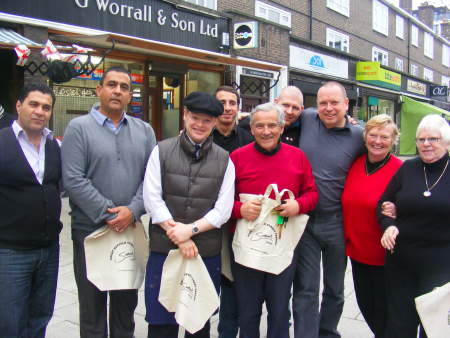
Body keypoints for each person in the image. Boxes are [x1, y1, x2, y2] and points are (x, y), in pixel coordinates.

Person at [61, 66, 156, 338]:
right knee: (92, 309)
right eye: (112, 84)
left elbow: (151, 180)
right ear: (99, 90)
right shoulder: (78, 128)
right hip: (90, 230)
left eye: (124, 87)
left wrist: (133, 210)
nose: (117, 90)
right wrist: (109, 213)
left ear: (129, 96)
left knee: (125, 308)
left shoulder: (144, 131)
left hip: (130, 231)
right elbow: (73, 179)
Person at [143, 91, 235, 338]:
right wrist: (180, 236)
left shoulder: (225, 160)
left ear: (215, 122)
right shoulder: (160, 151)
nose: (200, 125)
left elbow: (222, 210)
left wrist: (190, 230)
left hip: (204, 252)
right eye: (195, 117)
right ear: (184, 116)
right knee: (161, 321)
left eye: (207, 120)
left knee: (198, 322)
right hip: (165, 249)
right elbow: (152, 199)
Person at [230, 102, 318, 338]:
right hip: (247, 247)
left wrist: (298, 205)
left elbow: (312, 194)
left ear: (281, 128)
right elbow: (221, 202)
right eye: (260, 126)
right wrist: (240, 208)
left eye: (272, 125)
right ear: (251, 128)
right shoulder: (237, 157)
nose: (266, 131)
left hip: (282, 245)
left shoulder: (297, 157)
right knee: (247, 310)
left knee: (280, 309)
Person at [293, 81, 365, 338]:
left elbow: (380, 157)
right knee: (306, 289)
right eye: (323, 102)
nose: (328, 108)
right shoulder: (308, 119)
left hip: (338, 222)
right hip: (305, 222)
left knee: (335, 288)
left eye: (335, 102)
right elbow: (274, 115)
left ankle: (327, 333)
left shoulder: (360, 136)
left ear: (346, 104)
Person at [377, 114, 450, 338]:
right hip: (402, 263)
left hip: (441, 265)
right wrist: (389, 225)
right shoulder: (408, 168)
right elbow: (383, 204)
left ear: (447, 142)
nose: (426, 144)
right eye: (421, 139)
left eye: (433, 139)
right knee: (400, 324)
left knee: (433, 327)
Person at [0, 83, 62, 337]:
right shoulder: (2, 142)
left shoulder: (52, 145)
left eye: (46, 107)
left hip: (48, 250)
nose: (40, 112)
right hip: (11, 252)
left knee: (40, 317)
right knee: (10, 321)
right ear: (18, 105)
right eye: (33, 104)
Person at [341, 114, 402, 338]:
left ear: (393, 140)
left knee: (387, 313)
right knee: (367, 307)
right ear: (364, 137)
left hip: (386, 256)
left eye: (384, 137)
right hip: (357, 253)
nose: (378, 141)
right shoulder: (355, 164)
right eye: (373, 135)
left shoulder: (400, 169)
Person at [213, 86, 253, 338]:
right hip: (206, 222)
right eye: (222, 103)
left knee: (231, 283)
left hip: (236, 222)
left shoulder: (248, 139)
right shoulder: (202, 136)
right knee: (204, 280)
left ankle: (227, 332)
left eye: (232, 103)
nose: (227, 107)